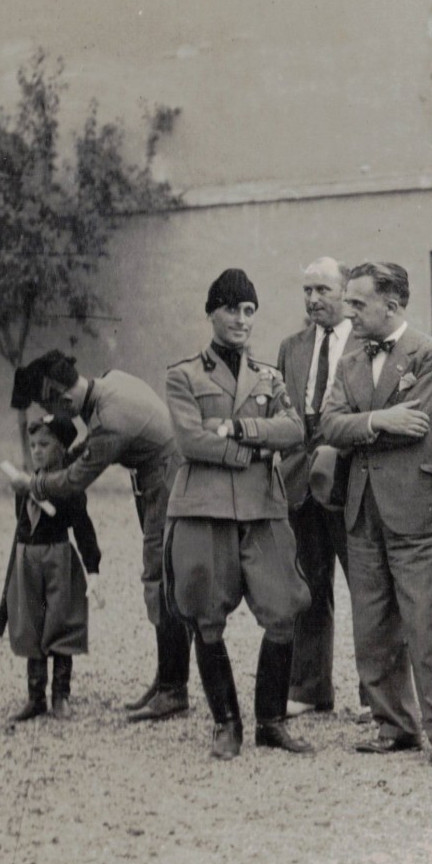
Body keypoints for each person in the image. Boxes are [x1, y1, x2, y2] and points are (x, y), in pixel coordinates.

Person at [318, 261, 432, 767]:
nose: (349, 312)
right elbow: (329, 426)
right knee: (373, 625)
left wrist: (359, 425)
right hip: (364, 509)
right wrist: (380, 418)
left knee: (429, 625)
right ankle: (393, 725)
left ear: (393, 304)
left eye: (358, 303)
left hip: (420, 509)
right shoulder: (350, 360)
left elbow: (418, 423)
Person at [165, 269, 314, 758]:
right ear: (212, 312)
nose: (241, 319)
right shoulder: (183, 375)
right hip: (204, 509)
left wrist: (237, 430)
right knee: (205, 616)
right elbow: (190, 440)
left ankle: (271, 720)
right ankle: (226, 723)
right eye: (232, 309)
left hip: (262, 510)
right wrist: (249, 451)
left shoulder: (269, 376)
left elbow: (294, 429)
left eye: (249, 311)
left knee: (285, 609)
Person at [10, 350, 192, 722]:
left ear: (61, 399)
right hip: (160, 482)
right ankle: (168, 679)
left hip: (165, 487)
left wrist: (36, 484)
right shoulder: (111, 381)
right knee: (163, 579)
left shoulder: (111, 420)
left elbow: (78, 477)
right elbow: (87, 447)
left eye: (52, 408)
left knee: (158, 580)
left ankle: (174, 690)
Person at [275, 256, 355, 715]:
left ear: (345, 292)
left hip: (348, 481)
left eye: (323, 290)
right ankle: (309, 689)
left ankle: (376, 693)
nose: (313, 299)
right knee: (308, 587)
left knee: (367, 588)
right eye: (307, 290)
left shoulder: (365, 344)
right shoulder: (291, 346)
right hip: (299, 484)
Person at [0, 414, 101, 723]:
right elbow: (21, 526)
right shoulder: (25, 484)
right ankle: (35, 696)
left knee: (61, 622)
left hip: (58, 557)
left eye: (45, 445)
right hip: (28, 558)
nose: (37, 451)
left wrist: (93, 569)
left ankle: (61, 695)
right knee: (30, 625)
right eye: (33, 445)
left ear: (62, 449)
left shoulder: (68, 485)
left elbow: (83, 527)